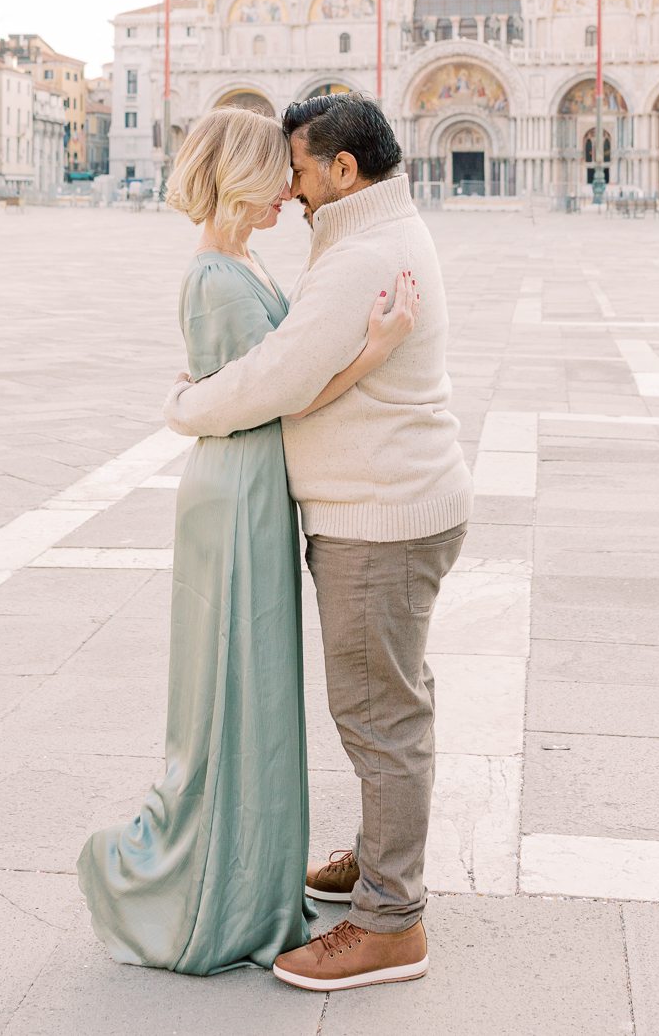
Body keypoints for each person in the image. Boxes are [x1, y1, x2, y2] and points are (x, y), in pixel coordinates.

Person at [77, 107, 416, 975]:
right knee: (238, 680)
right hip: (235, 494)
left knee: (254, 679)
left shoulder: (243, 260)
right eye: (276, 175)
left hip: (254, 485)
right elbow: (281, 393)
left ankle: (251, 875)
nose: (290, 193)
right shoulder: (217, 277)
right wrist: (373, 353)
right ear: (238, 178)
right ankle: (216, 888)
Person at [164, 94, 473, 993]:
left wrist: (185, 405)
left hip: (379, 515)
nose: (290, 188)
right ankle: (380, 862)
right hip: (394, 502)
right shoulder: (374, 232)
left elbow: (277, 377)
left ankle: (389, 923)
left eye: (298, 169)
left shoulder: (361, 254)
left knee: (380, 718)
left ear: (343, 169)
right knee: (391, 704)